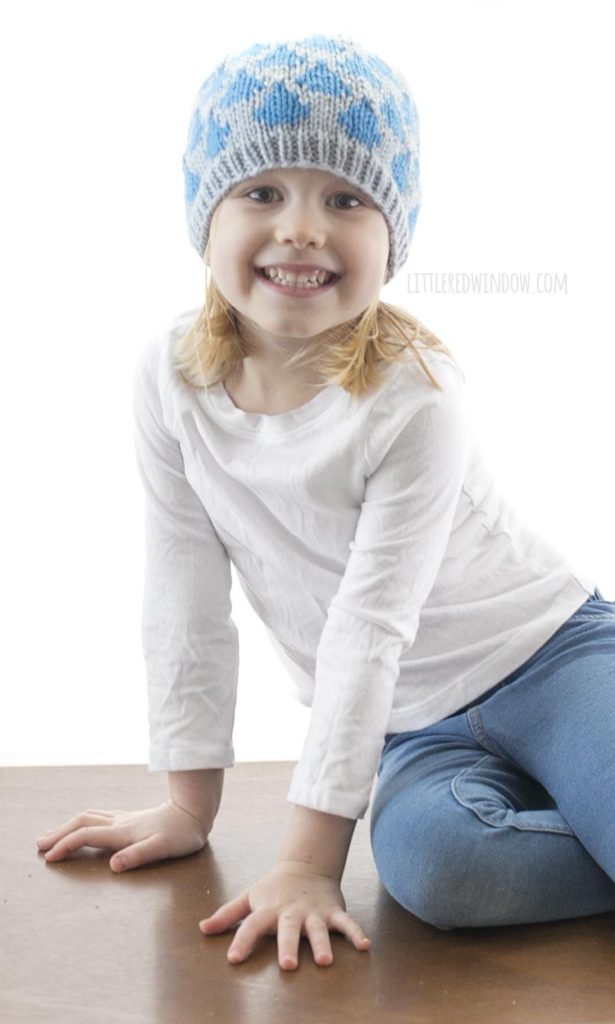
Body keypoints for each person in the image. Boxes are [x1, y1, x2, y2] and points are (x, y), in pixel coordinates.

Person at [36, 34, 615, 972]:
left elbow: (366, 627)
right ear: (205, 215)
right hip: (413, 725)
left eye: (345, 199)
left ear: (393, 233)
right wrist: (188, 805)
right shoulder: (170, 379)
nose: (302, 227)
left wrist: (308, 864)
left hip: (552, 660)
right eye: (262, 191)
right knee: (445, 876)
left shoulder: (415, 395)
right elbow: (183, 595)